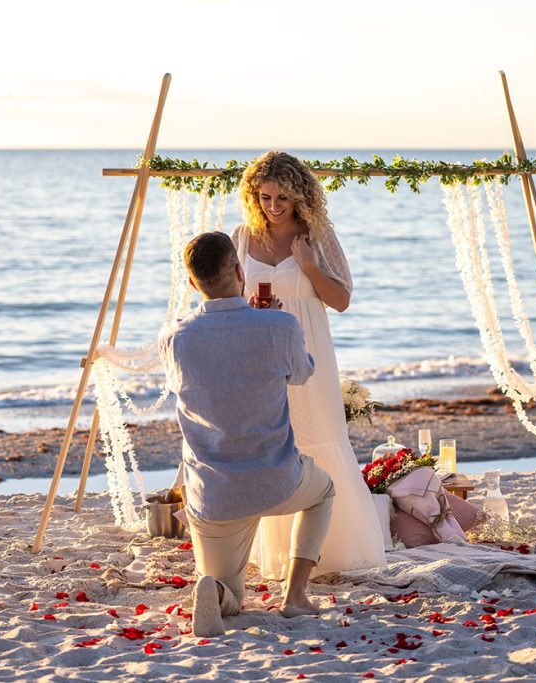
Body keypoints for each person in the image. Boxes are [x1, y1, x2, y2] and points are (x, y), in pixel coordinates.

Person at [159, 231, 336, 638]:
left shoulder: (174, 338)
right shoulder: (279, 326)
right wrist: (268, 322)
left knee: (230, 593)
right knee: (324, 491)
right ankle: (294, 597)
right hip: (277, 480)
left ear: (192, 282)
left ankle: (219, 593)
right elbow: (303, 372)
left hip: (214, 492)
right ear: (240, 271)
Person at [233, 151, 387, 579]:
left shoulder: (317, 235)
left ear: (299, 195)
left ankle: (332, 552)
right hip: (259, 353)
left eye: (282, 197)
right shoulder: (242, 237)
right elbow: (223, 297)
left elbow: (340, 301)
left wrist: (308, 265)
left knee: (319, 438)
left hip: (308, 350)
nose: (274, 206)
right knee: (272, 445)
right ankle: (278, 555)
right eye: (265, 197)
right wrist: (248, 306)